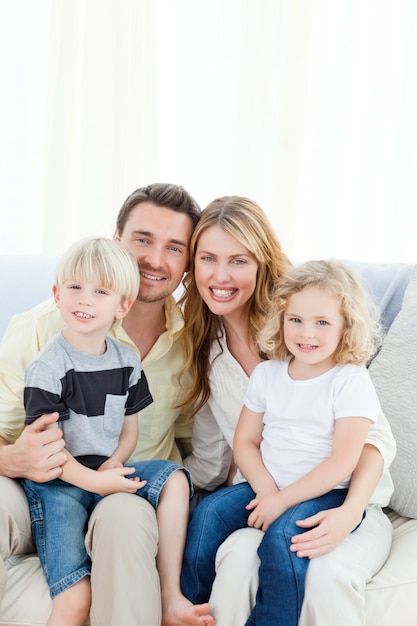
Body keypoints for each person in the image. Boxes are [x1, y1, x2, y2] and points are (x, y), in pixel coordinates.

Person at [0, 183, 215, 626]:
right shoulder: (42, 330)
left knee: (125, 519)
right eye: (142, 239)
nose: (155, 259)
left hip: (126, 483)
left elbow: (202, 443)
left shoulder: (195, 341)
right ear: (116, 240)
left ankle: (166, 598)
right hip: (35, 481)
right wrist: (11, 459)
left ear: (188, 263)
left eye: (174, 247)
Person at [180, 196, 396, 626]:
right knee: (205, 518)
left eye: (238, 260)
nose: (220, 276)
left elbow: (369, 447)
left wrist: (346, 510)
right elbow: (223, 452)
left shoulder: (320, 340)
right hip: (266, 484)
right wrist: (164, 489)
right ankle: (190, 611)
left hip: (333, 493)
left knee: (282, 543)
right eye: (208, 258)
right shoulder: (210, 353)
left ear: (262, 263)